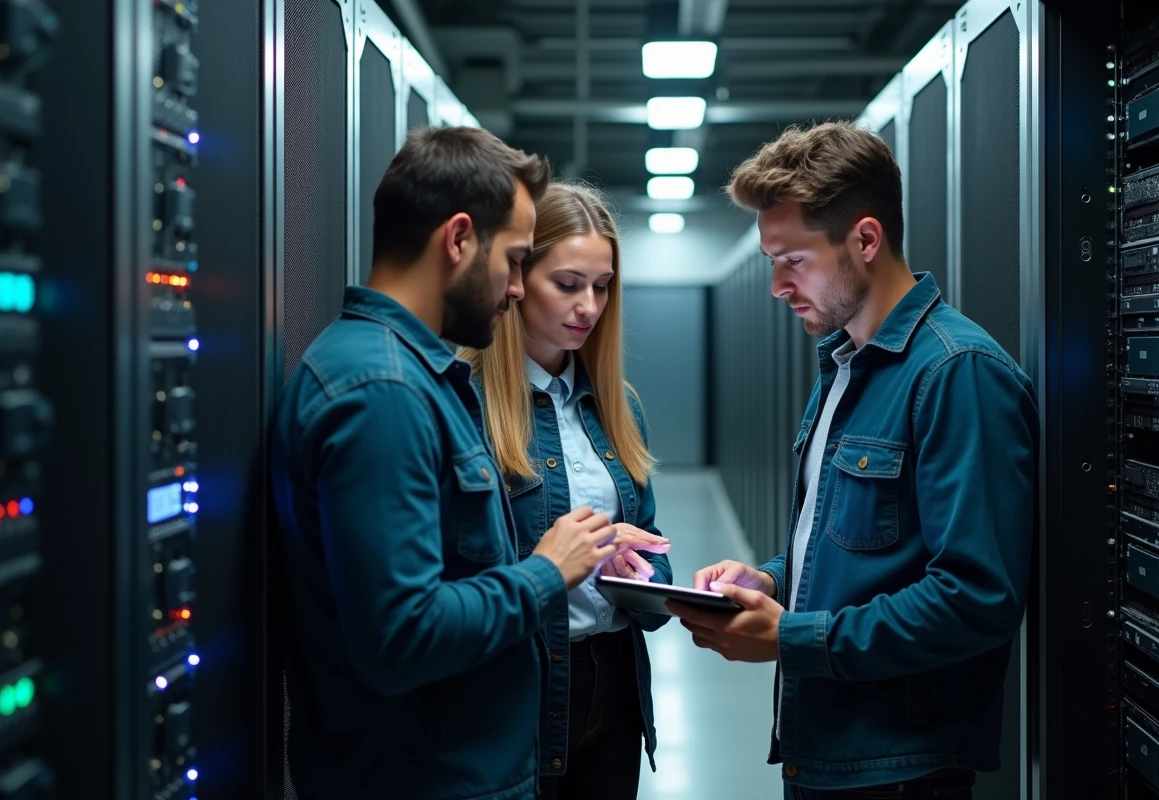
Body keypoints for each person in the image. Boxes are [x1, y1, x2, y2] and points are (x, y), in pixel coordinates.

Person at [669, 121, 1037, 800]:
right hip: (828, 748)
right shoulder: (845, 366)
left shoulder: (958, 374)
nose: (777, 284)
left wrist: (793, 638)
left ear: (865, 240)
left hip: (899, 769)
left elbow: (976, 597)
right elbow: (860, 543)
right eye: (770, 259)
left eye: (794, 260)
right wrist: (771, 580)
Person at [270, 127, 625, 799]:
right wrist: (546, 573)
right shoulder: (384, 394)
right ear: (459, 240)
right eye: (516, 260)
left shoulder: (410, 377)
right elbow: (403, 636)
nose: (518, 289)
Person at [460, 183, 673, 800]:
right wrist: (550, 566)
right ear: (519, 279)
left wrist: (644, 576)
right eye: (569, 283)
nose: (588, 306)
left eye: (602, 286)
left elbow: (653, 554)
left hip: (615, 693)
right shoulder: (465, 404)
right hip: (518, 693)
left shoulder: (618, 406)